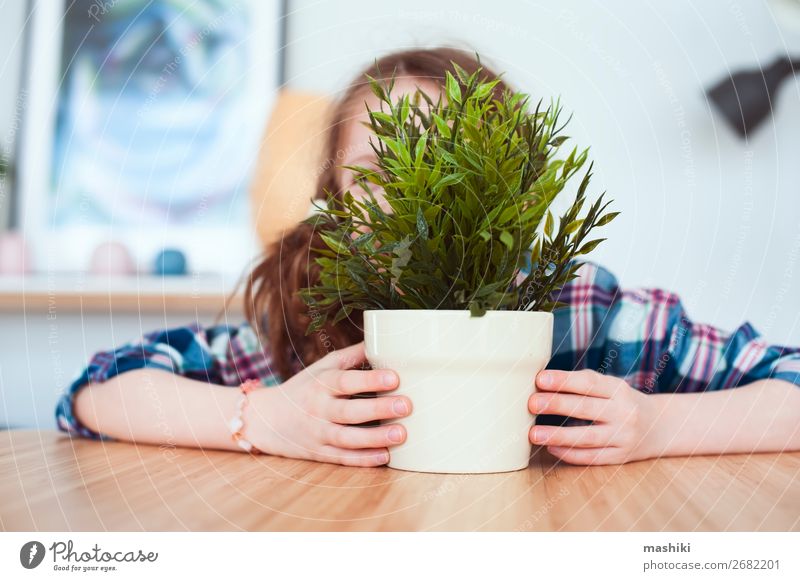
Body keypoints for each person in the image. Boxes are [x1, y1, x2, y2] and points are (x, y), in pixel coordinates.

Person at [56, 48, 800, 466]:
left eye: (452, 160)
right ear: (337, 199)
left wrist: (660, 427)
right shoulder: (316, 325)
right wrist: (263, 418)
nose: (417, 193)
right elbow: (96, 389)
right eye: (383, 163)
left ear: (512, 189)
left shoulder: (580, 313)